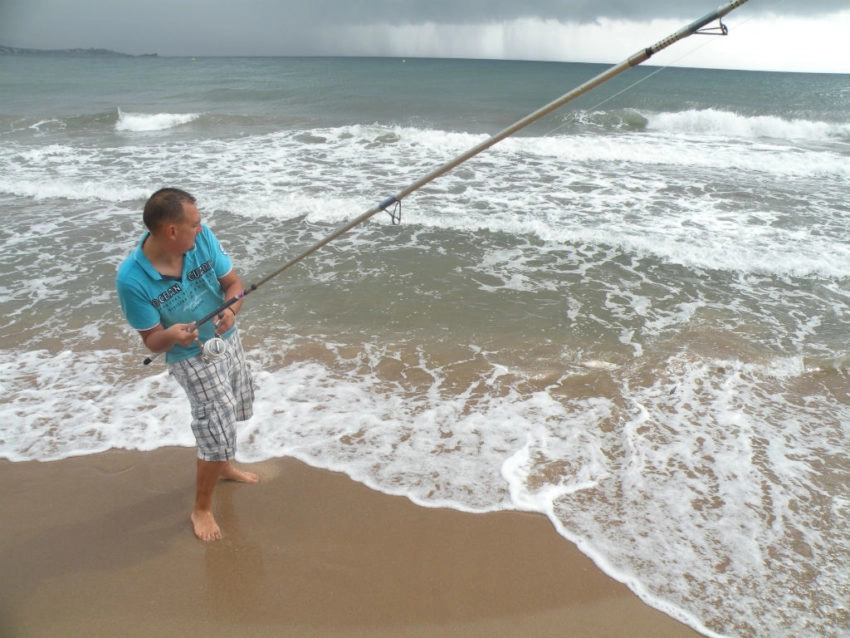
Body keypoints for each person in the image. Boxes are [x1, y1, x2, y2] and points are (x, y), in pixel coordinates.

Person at [116, 187, 258, 541]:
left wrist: (230, 308)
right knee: (217, 420)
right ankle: (201, 508)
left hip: (226, 338)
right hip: (188, 355)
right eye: (193, 224)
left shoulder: (203, 239)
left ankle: (222, 464)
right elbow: (152, 340)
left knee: (238, 404)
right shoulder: (131, 279)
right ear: (171, 232)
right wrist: (173, 335)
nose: (202, 227)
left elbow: (234, 285)